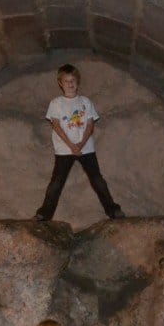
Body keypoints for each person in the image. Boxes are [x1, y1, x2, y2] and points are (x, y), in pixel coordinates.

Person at [34, 63, 125, 221]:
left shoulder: (85, 102)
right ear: (60, 83)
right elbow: (56, 125)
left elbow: (90, 125)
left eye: (73, 80)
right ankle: (44, 213)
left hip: (86, 149)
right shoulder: (56, 103)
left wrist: (81, 144)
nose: (70, 84)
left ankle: (113, 210)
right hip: (64, 149)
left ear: (78, 81)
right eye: (66, 81)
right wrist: (71, 146)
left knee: (97, 179)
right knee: (56, 182)